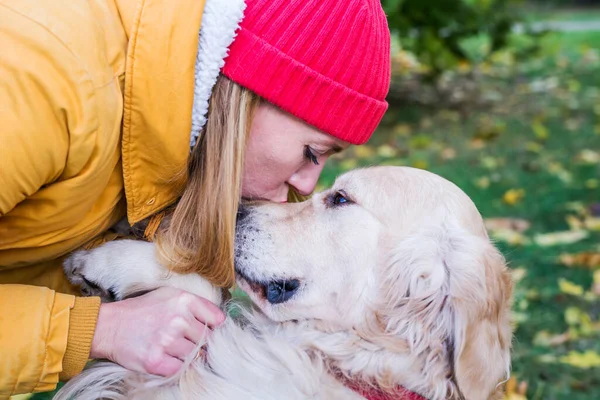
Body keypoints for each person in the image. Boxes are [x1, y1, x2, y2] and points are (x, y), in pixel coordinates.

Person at [0, 0, 390, 396]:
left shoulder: (160, 136)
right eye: (312, 152)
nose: (307, 186)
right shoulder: (46, 86)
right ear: (253, 92)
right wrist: (99, 329)